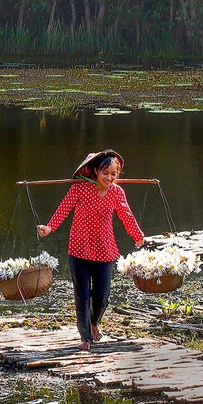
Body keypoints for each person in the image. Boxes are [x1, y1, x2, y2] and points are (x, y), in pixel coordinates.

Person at [38, 149, 144, 351]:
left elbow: (126, 215)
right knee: (82, 295)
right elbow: (63, 209)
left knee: (102, 296)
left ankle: (94, 322)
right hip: (79, 249)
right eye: (105, 173)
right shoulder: (80, 188)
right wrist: (49, 228)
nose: (109, 178)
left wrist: (137, 235)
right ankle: (85, 337)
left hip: (105, 250)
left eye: (114, 174)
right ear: (95, 171)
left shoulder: (116, 192)